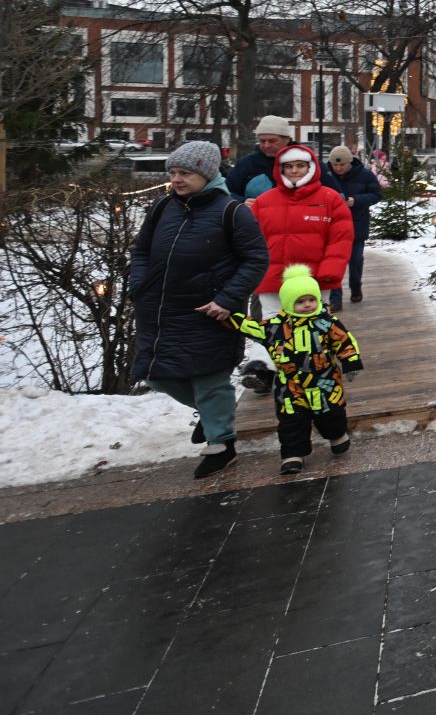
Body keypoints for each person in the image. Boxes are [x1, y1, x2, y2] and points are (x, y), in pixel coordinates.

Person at [129, 140, 269, 478]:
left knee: (209, 379)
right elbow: (141, 251)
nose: (177, 180)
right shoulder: (163, 208)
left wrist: (226, 299)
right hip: (161, 311)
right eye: (174, 173)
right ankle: (212, 416)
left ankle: (222, 444)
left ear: (207, 174)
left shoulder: (232, 212)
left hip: (208, 312)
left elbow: (256, 260)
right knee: (156, 375)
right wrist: (140, 285)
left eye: (186, 173)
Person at [227, 262, 361, 474]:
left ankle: (337, 435)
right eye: (300, 302)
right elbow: (250, 326)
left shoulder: (326, 322)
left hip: (324, 381)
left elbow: (344, 342)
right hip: (290, 385)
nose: (307, 305)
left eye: (311, 300)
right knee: (291, 420)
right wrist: (228, 316)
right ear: (288, 303)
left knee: (331, 414)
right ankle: (292, 454)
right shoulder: (275, 327)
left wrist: (351, 362)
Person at [249, 142, 353, 318]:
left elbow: (340, 239)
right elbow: (250, 240)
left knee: (314, 328)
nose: (294, 171)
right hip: (273, 279)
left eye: (300, 166)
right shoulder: (263, 201)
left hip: (314, 280)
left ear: (310, 167)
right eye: (288, 166)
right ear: (281, 168)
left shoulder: (330, 199)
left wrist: (330, 271)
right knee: (274, 327)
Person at [322, 145, 384, 309]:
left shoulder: (364, 175)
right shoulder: (325, 175)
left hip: (356, 224)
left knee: (355, 259)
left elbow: (376, 194)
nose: (338, 168)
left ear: (350, 162)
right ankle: (335, 298)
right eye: (335, 165)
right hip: (331, 226)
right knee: (333, 262)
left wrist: (355, 200)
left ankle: (355, 286)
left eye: (342, 165)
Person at [225, 115, 295, 199]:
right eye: (262, 141)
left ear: (287, 140)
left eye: (272, 141)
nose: (266, 145)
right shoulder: (247, 164)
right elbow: (226, 192)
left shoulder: (303, 163)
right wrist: (242, 201)